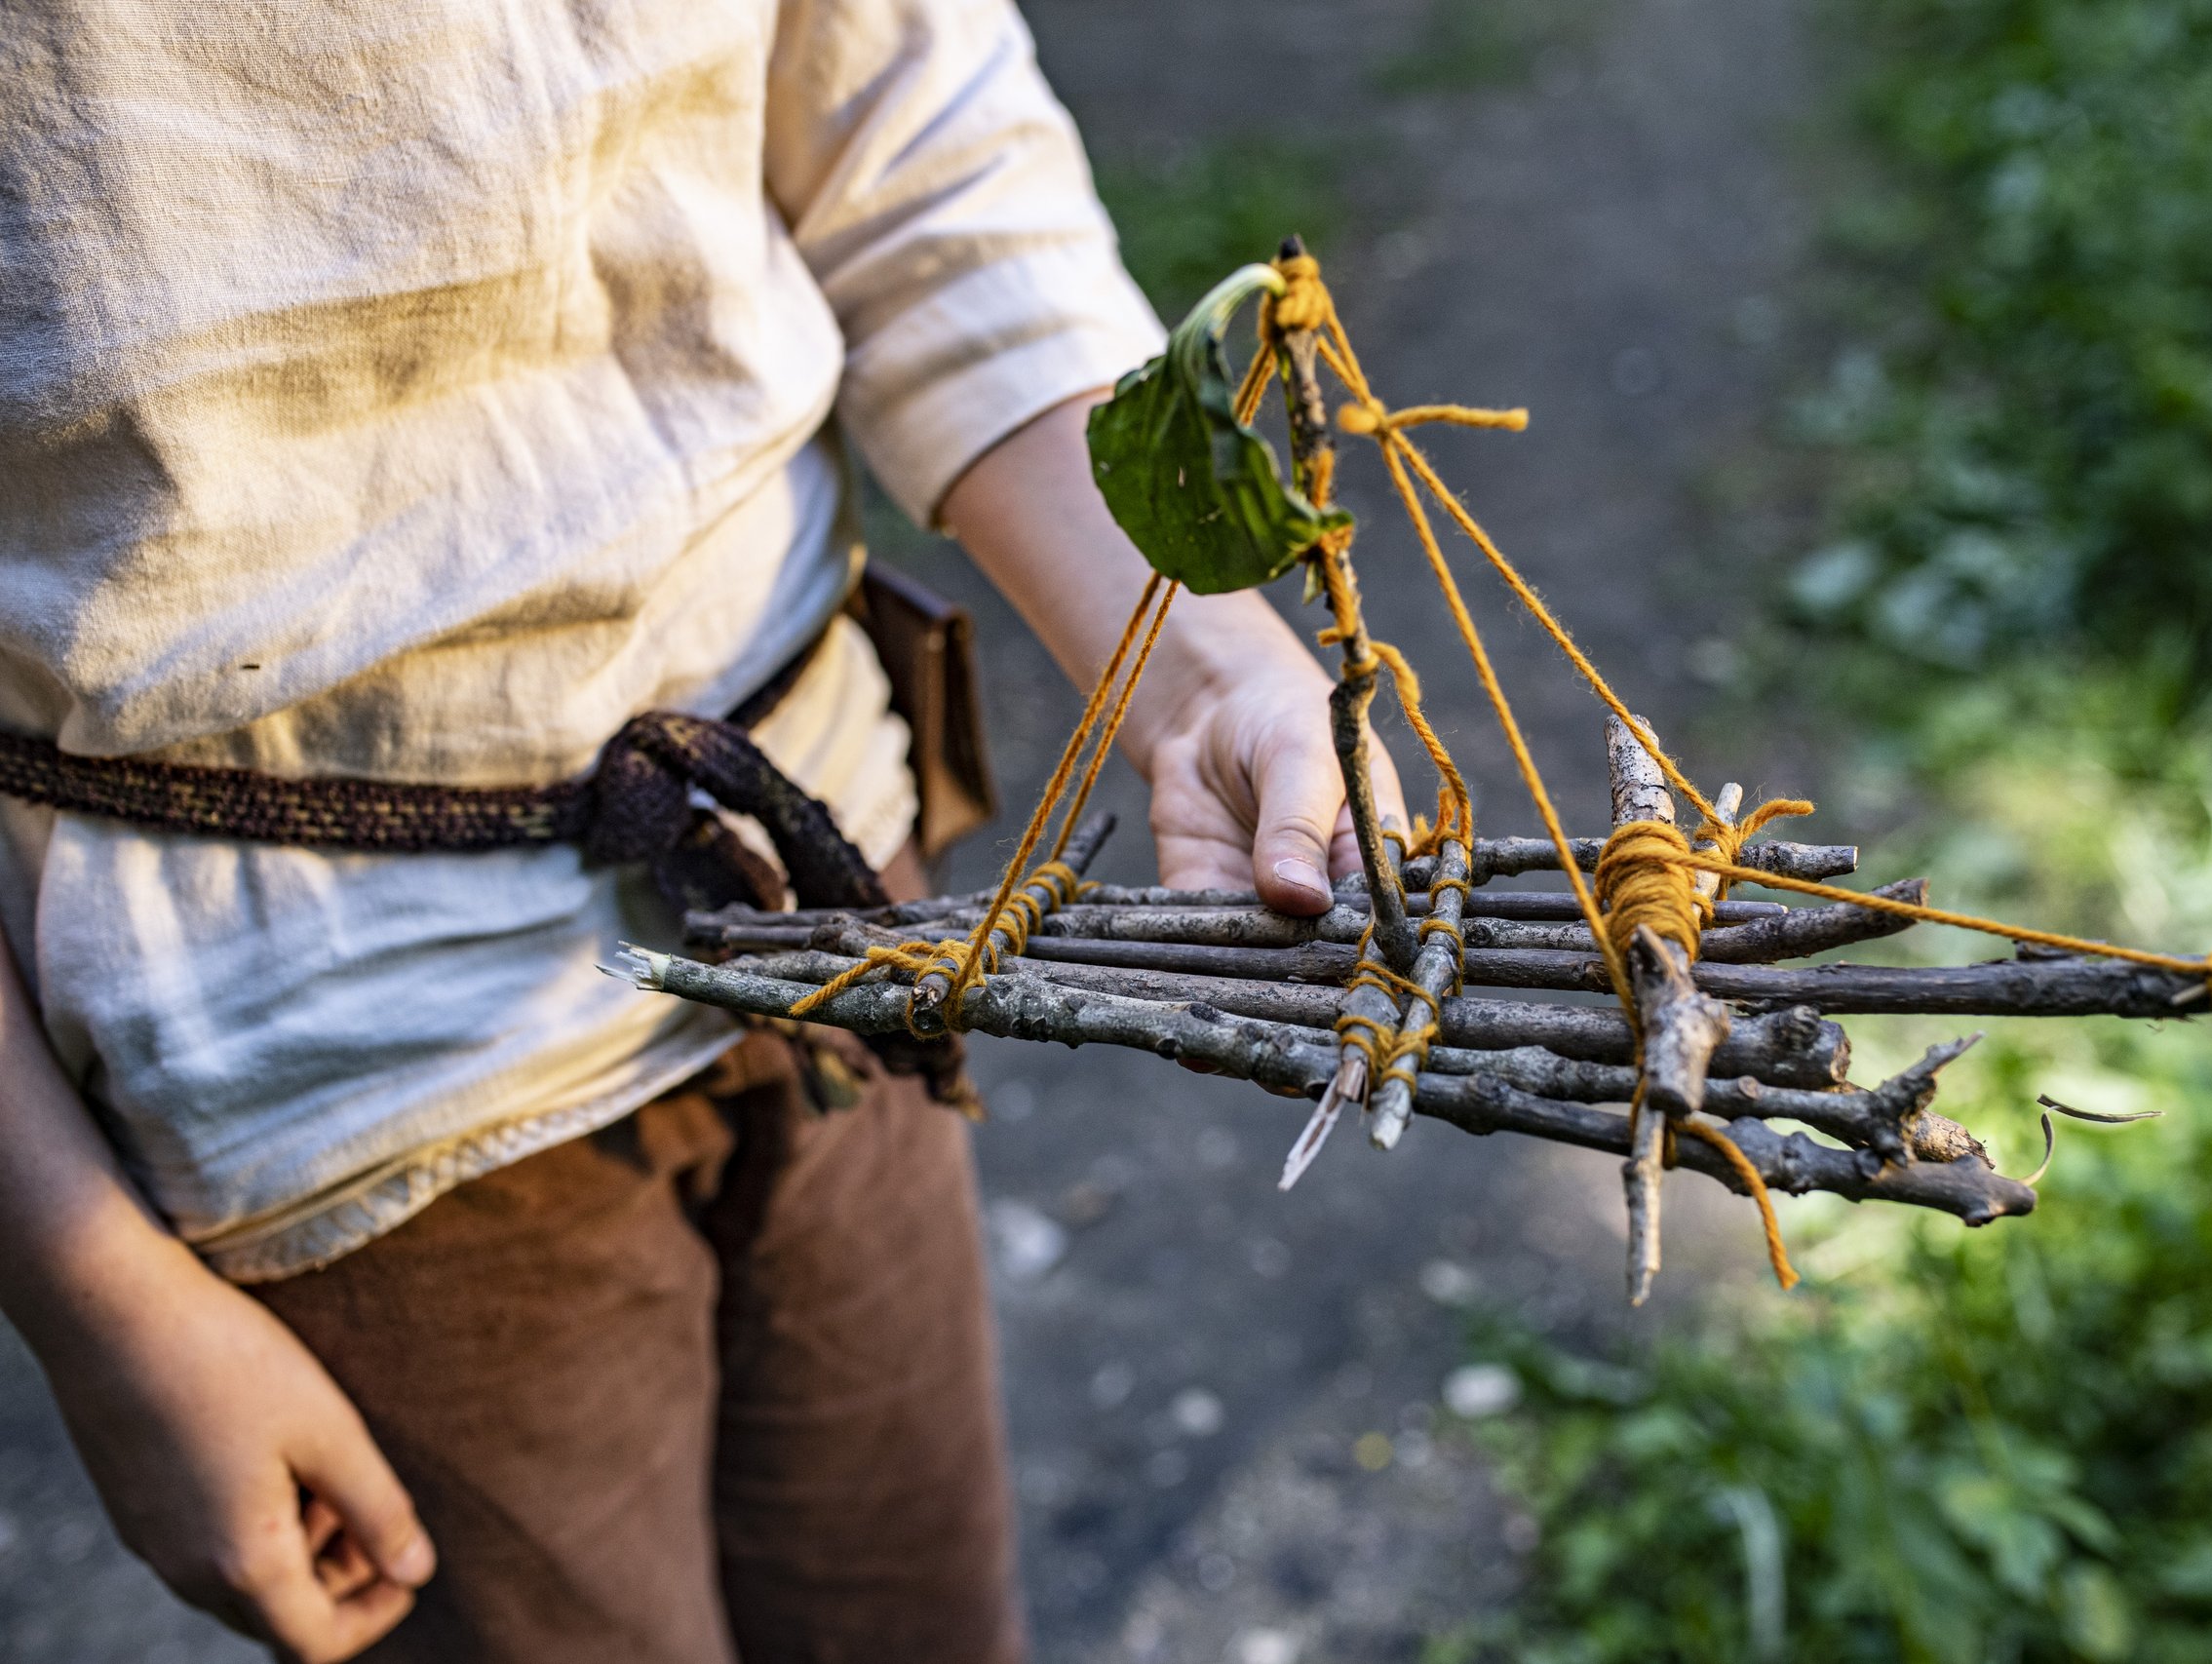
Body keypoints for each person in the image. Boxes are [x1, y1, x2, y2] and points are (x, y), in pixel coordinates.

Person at [0, 2, 1404, 1659]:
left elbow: (909, 138)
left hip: (842, 899)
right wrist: (91, 1289)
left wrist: (1202, 664)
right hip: (337, 1076)